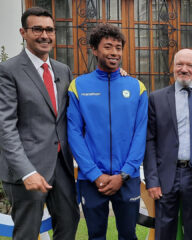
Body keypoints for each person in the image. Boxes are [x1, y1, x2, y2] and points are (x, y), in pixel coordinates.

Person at [0, 7, 79, 240]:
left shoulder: (63, 71)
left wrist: (118, 74)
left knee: (69, 224)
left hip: (62, 167)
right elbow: (5, 127)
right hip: (27, 170)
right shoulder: (8, 71)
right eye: (37, 29)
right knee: (27, 233)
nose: (45, 35)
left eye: (49, 30)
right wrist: (27, 172)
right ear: (23, 32)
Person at [67, 23, 148, 239]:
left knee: (129, 235)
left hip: (127, 177)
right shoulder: (78, 86)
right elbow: (74, 133)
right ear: (94, 49)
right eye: (108, 47)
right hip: (92, 179)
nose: (114, 52)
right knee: (95, 235)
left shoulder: (137, 87)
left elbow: (140, 134)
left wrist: (123, 174)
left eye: (119, 47)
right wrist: (94, 174)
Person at [144, 48, 192, 240]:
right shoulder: (157, 98)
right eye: (180, 64)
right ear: (173, 67)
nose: (184, 69)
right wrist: (152, 179)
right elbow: (149, 140)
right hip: (167, 175)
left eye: (189, 65)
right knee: (164, 228)